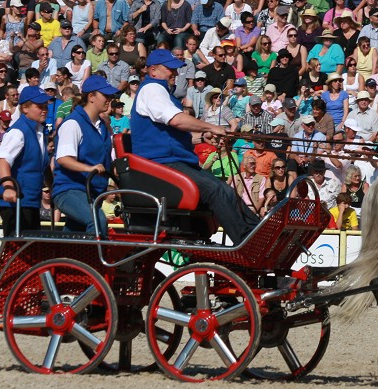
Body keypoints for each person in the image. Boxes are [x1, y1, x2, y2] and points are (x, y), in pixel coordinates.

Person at [130, 49, 261, 244]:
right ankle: (248, 242)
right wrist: (211, 127)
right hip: (161, 165)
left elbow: (168, 135)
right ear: (153, 71)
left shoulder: (161, 91)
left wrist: (202, 137)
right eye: (170, 69)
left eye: (175, 69)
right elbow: (176, 121)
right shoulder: (152, 89)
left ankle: (257, 231)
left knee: (225, 189)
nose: (174, 73)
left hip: (171, 160)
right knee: (216, 190)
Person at [52, 76, 120, 235]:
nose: (110, 99)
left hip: (92, 193)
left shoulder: (103, 126)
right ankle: (93, 260)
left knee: (75, 235)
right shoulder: (72, 123)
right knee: (97, 221)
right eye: (105, 95)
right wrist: (90, 168)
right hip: (69, 189)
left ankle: (63, 258)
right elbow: (63, 159)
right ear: (91, 97)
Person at [0, 86, 52, 235]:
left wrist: (53, 189)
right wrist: (8, 187)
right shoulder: (18, 131)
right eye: (39, 106)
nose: (44, 109)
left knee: (30, 247)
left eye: (46, 106)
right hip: (14, 201)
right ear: (25, 108)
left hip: (30, 200)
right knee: (18, 247)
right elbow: (2, 161)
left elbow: (44, 167)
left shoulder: (40, 132)